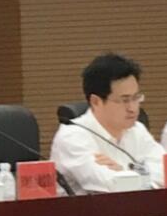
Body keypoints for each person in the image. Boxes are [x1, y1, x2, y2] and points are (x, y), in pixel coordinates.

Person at [50, 53, 164, 194]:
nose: (133, 108)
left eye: (136, 98)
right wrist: (141, 174)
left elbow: (164, 171)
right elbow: (110, 185)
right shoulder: (72, 137)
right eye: (124, 100)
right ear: (96, 101)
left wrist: (123, 171)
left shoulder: (137, 130)